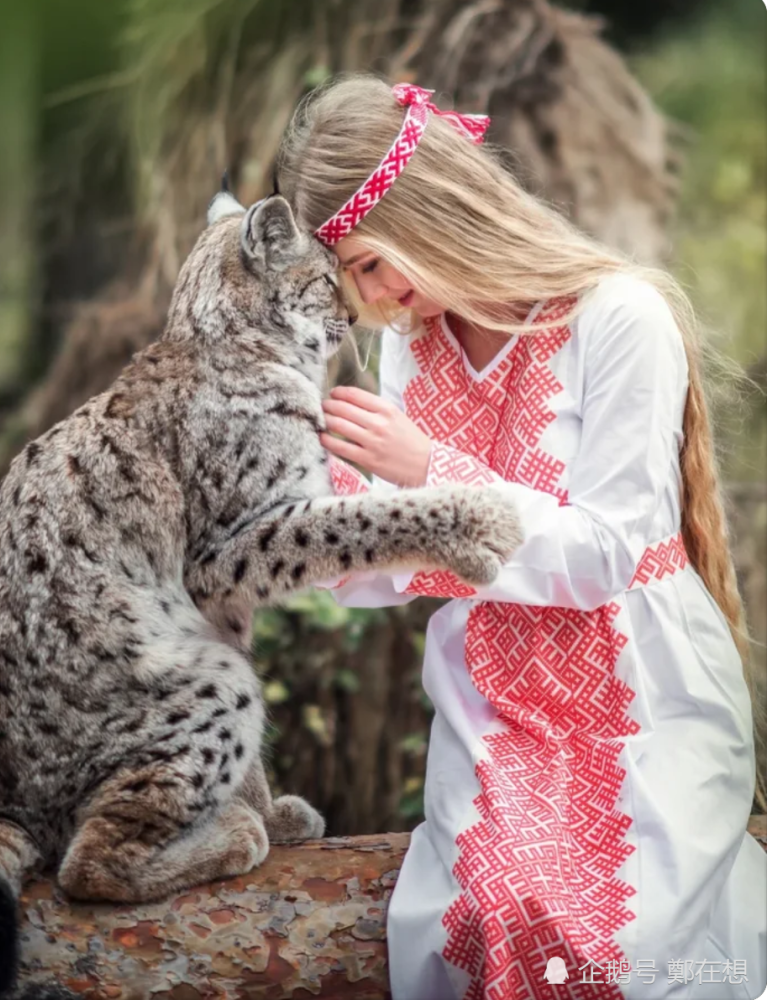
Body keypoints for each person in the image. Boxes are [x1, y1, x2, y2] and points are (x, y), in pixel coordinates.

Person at [275, 74, 767, 1000]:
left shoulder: (620, 317)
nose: (377, 299)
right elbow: (409, 561)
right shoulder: (411, 342)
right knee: (494, 913)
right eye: (353, 278)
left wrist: (427, 474)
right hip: (494, 703)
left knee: (600, 945)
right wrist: (324, 522)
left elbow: (602, 556)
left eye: (374, 263)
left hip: (640, 695)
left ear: (433, 214)